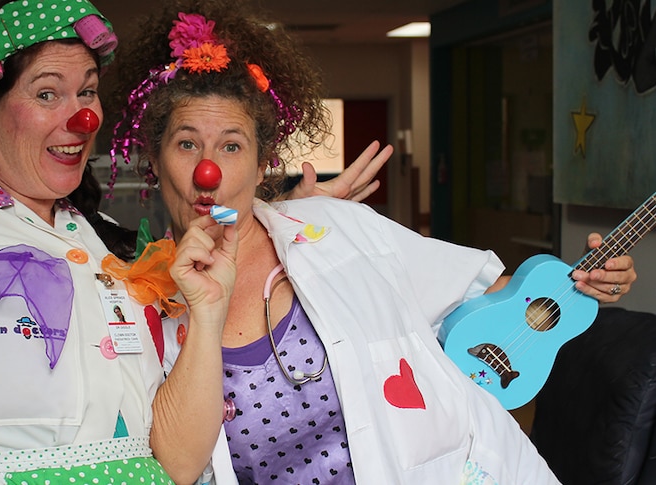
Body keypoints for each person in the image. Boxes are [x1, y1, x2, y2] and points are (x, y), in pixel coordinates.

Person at [0, 1, 387, 483]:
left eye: (87, 92)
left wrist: (289, 222)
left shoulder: (112, 247)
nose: (81, 118)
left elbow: (203, 248)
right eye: (48, 94)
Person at [107, 1, 639, 484]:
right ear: (154, 161)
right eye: (186, 144)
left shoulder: (340, 230)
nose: (209, 172)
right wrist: (204, 310)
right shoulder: (133, 306)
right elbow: (176, 466)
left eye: (231, 145)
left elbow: (503, 296)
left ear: (262, 161)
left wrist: (587, 284)